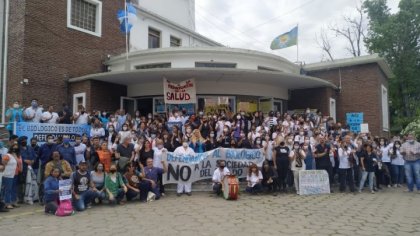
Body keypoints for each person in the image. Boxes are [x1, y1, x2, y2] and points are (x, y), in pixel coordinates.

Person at [2, 144, 19, 209]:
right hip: (6, 175)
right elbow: (3, 163)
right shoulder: (7, 155)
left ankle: (6, 202)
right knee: (7, 190)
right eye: (14, 148)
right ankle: (7, 203)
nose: (15, 149)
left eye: (16, 148)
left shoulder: (15, 156)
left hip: (12, 175)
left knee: (9, 189)